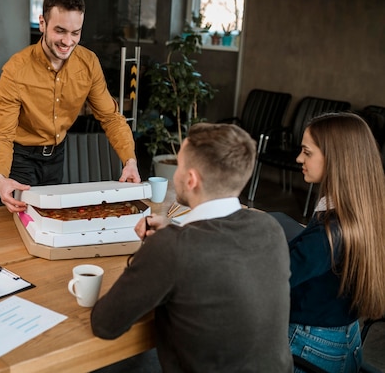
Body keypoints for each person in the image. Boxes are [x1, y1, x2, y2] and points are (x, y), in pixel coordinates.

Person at [91, 123, 293, 372]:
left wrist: (159, 248)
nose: (175, 173)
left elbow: (105, 323)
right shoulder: (270, 228)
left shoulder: (172, 248)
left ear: (191, 179)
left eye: (179, 165)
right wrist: (174, 234)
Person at [0, 0, 141, 213]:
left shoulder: (88, 63)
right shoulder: (16, 70)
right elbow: (2, 135)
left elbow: (110, 117)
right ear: (43, 23)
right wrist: (0, 177)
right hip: (21, 157)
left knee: (51, 218)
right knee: (22, 223)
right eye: (60, 31)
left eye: (75, 33)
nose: (68, 41)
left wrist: (130, 160)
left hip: (57, 154)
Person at [287, 112, 385, 372]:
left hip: (311, 343)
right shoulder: (362, 211)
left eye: (307, 152)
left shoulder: (328, 234)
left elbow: (273, 281)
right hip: (345, 334)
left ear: (335, 160)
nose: (299, 159)